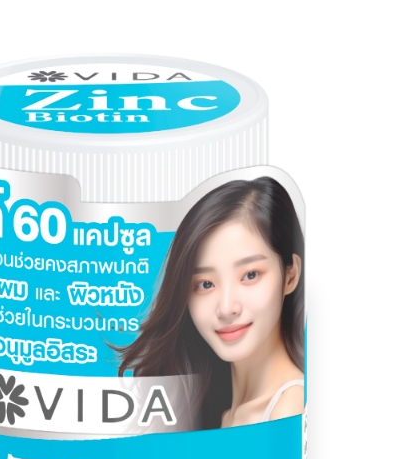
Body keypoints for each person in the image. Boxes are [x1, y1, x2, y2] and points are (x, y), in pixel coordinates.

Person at [117, 177, 304, 429]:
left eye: (250, 275)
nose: (226, 308)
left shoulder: (290, 407)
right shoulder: (210, 409)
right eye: (205, 284)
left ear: (290, 275)